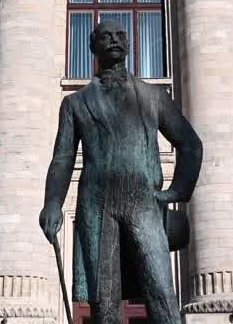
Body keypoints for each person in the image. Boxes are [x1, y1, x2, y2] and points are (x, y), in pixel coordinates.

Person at [39, 19, 202, 324]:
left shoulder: (153, 97)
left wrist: (177, 191)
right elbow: (62, 158)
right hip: (97, 207)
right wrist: (52, 203)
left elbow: (190, 144)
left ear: (128, 44)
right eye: (106, 36)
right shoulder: (75, 104)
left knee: (161, 292)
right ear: (93, 46)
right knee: (105, 302)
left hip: (144, 203)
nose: (114, 40)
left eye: (120, 35)